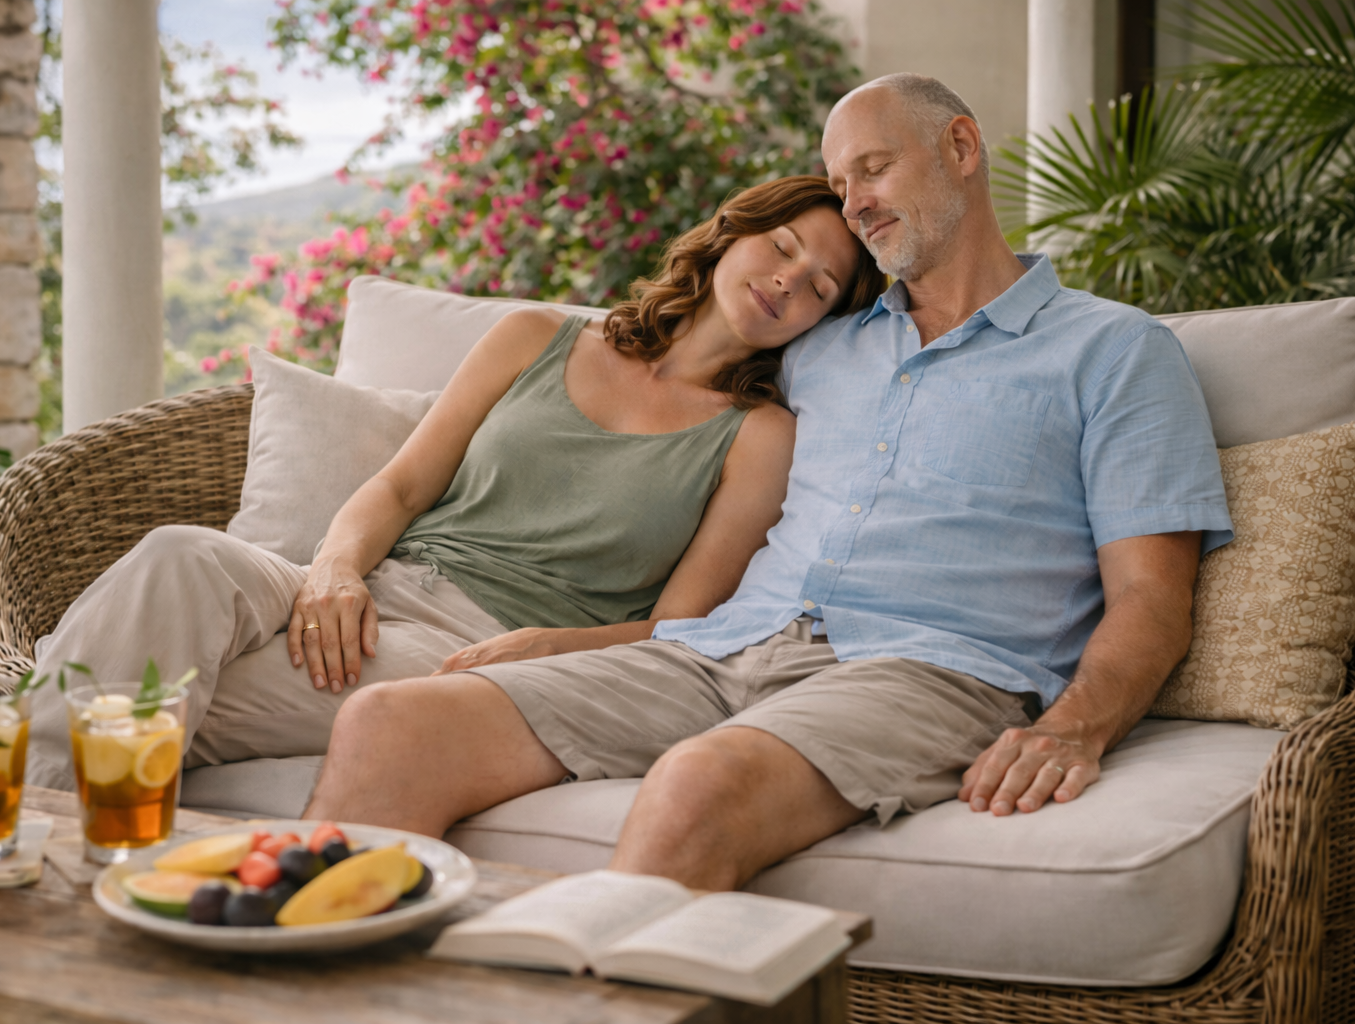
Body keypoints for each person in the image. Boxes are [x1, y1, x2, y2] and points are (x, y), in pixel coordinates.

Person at [299, 73, 1235, 892]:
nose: (856, 202)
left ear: (959, 147)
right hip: (722, 650)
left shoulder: (1115, 352)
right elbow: (662, 382)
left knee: (699, 784)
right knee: (392, 724)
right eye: (838, 184)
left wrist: (1076, 728)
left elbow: (1153, 598)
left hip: (928, 669)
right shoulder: (816, 346)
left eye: (873, 168)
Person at [24, 175, 887, 790]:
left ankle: (26, 840)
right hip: (367, 584)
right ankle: (41, 828)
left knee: (142, 688)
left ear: (820, 322)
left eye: (818, 286)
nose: (787, 279)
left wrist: (543, 647)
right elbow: (399, 490)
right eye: (782, 245)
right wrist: (333, 572)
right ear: (732, 232)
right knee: (181, 558)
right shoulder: (535, 337)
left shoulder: (758, 434)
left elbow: (678, 626)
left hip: (468, 645)